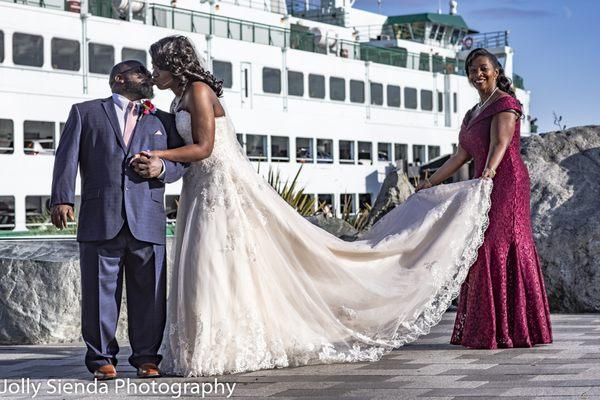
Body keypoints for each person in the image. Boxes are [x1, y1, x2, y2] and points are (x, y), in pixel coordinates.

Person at [132, 35, 493, 377]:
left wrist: (158, 154)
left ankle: (220, 347)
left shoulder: (198, 91)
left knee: (215, 260)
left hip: (222, 187)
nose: (154, 73)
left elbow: (205, 147)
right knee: (213, 263)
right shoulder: (177, 98)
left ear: (175, 66)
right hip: (200, 187)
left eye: (157, 66)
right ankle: (206, 346)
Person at [50, 60, 188, 380]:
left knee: (150, 294)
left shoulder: (162, 120)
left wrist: (163, 169)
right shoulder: (85, 113)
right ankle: (101, 359)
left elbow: (183, 161)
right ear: (119, 79)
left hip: (148, 217)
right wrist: (62, 198)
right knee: (99, 294)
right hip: (101, 217)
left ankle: (147, 358)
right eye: (142, 73)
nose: (149, 78)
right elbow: (66, 158)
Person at [417, 48, 553, 348]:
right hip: (484, 181)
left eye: (482, 68)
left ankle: (514, 329)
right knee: (479, 246)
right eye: (471, 69)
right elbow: (461, 156)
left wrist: (488, 174)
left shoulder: (505, 103)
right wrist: (430, 181)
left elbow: (500, 142)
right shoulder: (471, 114)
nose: (476, 73)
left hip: (505, 182)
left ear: (496, 71)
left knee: (496, 244)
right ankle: (485, 328)